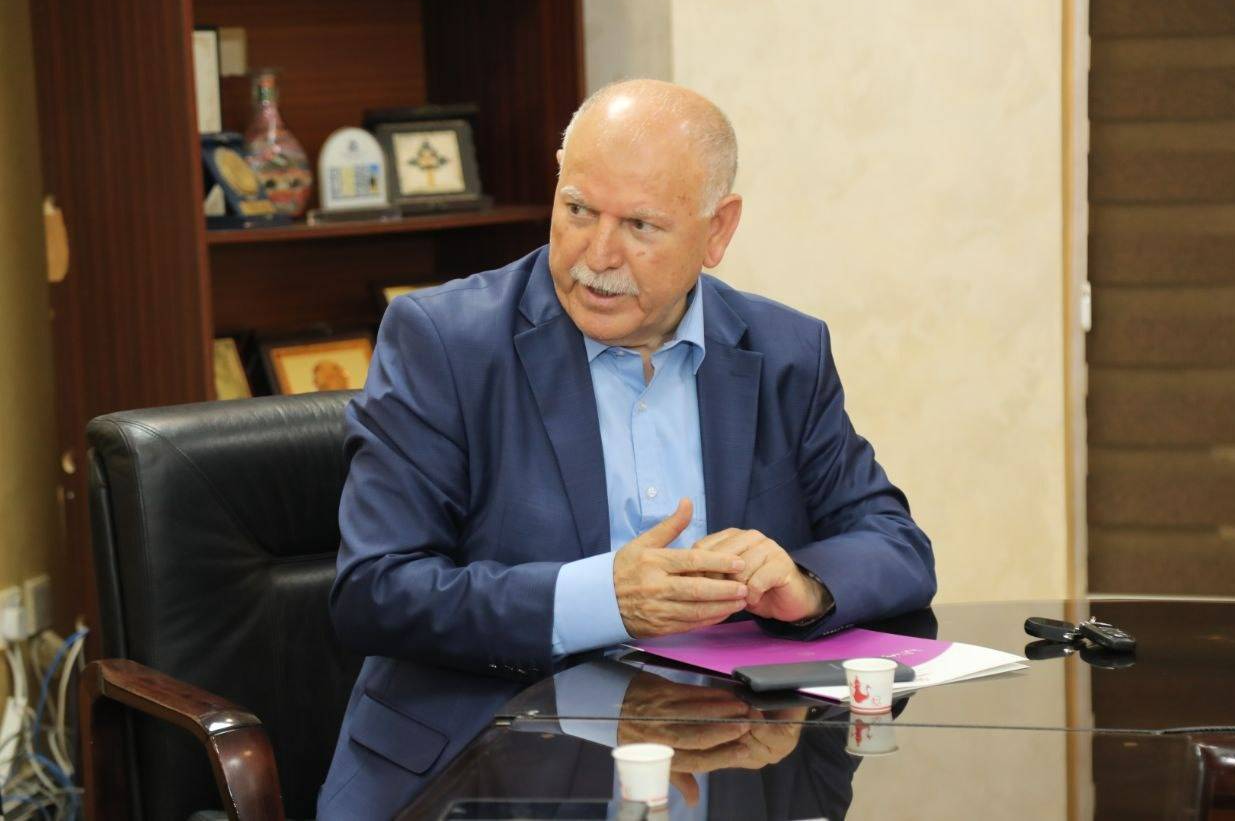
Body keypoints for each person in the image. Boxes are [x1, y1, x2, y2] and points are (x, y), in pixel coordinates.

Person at [317, 80, 936, 818]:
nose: (597, 254)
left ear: (717, 230)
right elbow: (376, 590)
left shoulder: (784, 352)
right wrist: (603, 598)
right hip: (486, 773)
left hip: (728, 762)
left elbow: (895, 544)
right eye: (578, 209)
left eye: (641, 224)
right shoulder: (444, 343)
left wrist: (804, 584)